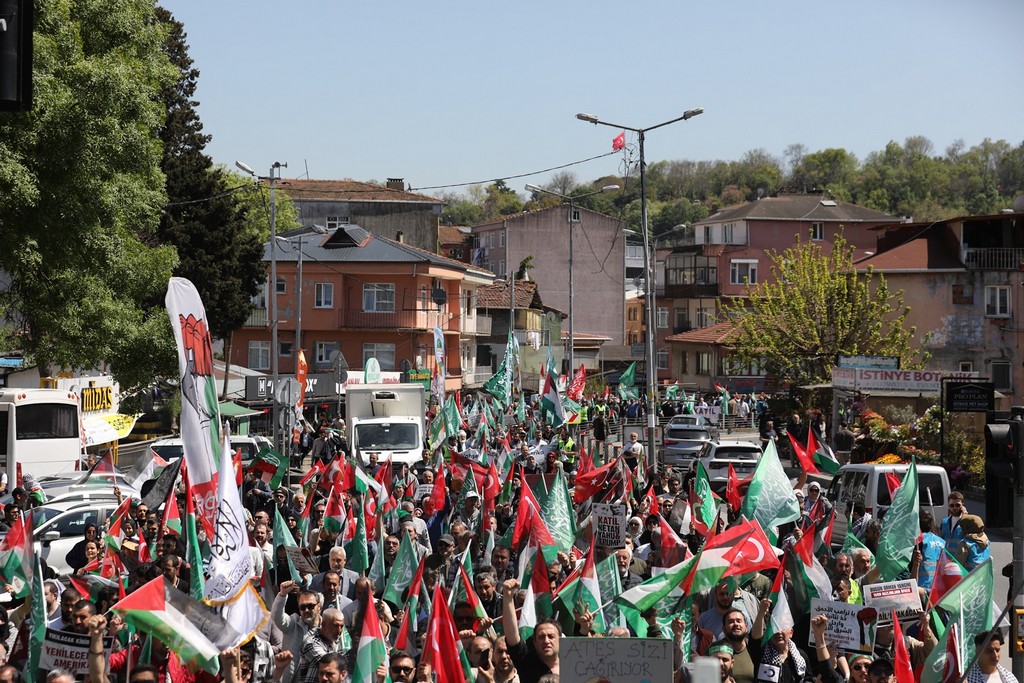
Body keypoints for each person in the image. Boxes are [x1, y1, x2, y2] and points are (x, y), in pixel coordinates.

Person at [502, 578, 559, 682]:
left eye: (551, 636)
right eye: (541, 637)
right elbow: (512, 636)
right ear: (535, 642)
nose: (546, 641)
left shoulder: (575, 665)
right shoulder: (527, 664)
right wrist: (508, 598)